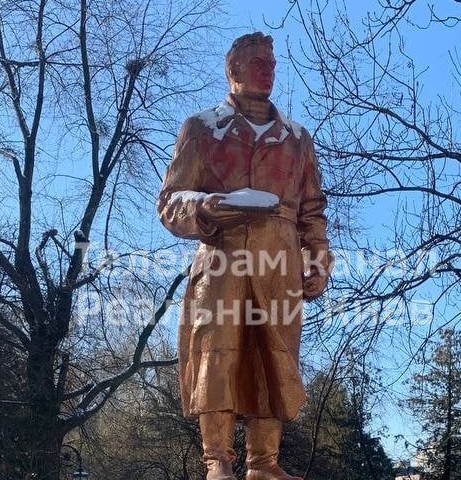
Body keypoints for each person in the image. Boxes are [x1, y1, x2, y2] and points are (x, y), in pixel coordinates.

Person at [157, 32, 332, 480]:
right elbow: (170, 203)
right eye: (258, 63)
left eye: (272, 64)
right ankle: (217, 459)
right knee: (216, 352)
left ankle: (263, 461)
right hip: (222, 256)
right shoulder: (201, 129)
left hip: (280, 262)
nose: (268, 70)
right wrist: (205, 207)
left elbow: (312, 210)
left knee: (275, 356)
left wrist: (318, 260)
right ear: (232, 71)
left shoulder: (296, 139)